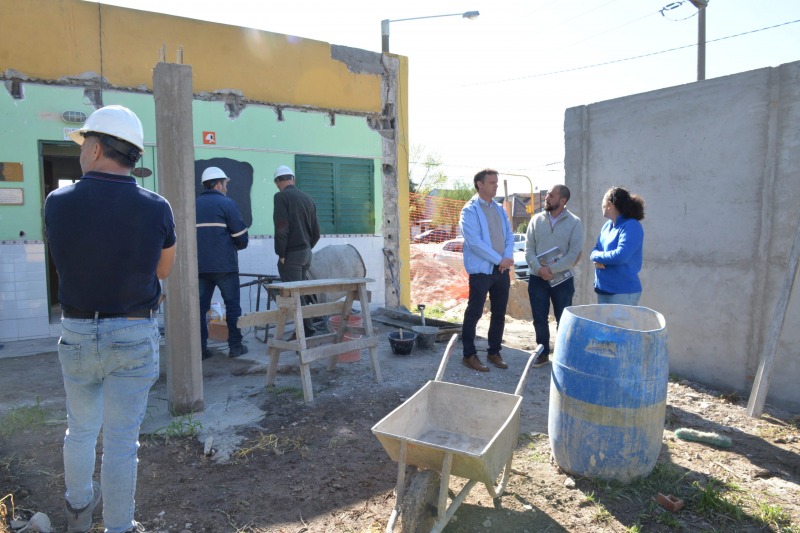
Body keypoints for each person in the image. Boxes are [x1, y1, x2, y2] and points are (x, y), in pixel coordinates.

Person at [44, 105, 177, 533]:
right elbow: (163, 271)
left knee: (79, 430)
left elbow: (65, 259)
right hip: (134, 334)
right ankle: (119, 528)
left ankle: (78, 513)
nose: (81, 154)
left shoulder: (57, 202)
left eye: (83, 146)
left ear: (97, 147)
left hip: (78, 332)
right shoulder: (157, 207)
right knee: (122, 441)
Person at [459, 169, 515, 372]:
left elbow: (509, 235)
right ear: (479, 184)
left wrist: (505, 260)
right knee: (474, 313)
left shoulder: (499, 209)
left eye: (496, 182)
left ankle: (494, 352)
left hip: (501, 270)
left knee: (499, 313)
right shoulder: (469, 210)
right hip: (481, 271)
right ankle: (469, 355)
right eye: (491, 182)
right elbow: (474, 243)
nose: (495, 185)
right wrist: (499, 259)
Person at [525, 185, 584, 368]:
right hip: (537, 278)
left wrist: (551, 270)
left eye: (551, 195)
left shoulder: (574, 222)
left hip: (563, 280)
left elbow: (574, 254)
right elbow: (528, 250)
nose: (546, 198)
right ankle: (542, 354)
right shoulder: (536, 220)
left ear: (563, 201)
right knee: (539, 317)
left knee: (563, 318)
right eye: (547, 194)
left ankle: (564, 355)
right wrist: (539, 269)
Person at [196, 166, 249, 359]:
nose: (226, 187)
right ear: (218, 184)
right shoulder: (227, 204)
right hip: (225, 266)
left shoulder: (194, 204)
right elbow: (241, 238)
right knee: (232, 306)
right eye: (225, 184)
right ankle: (235, 347)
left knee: (200, 309)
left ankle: (201, 349)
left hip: (200, 266)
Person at [272, 165, 321, 338]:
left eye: (276, 183)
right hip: (306, 253)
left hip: (291, 255)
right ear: (293, 179)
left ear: (279, 181)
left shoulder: (281, 197)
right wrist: (306, 247)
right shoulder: (308, 198)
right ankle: (306, 329)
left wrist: (282, 254)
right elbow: (317, 233)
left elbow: (281, 228)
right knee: (301, 293)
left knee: (293, 295)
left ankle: (304, 332)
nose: (277, 186)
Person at [590, 186, 646, 305]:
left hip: (622, 292)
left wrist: (598, 257)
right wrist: (597, 256)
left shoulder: (631, 226)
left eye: (603, 202)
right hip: (603, 289)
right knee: (604, 324)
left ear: (609, 204)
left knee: (619, 325)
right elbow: (595, 250)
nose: (601, 206)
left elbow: (621, 255)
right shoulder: (607, 226)